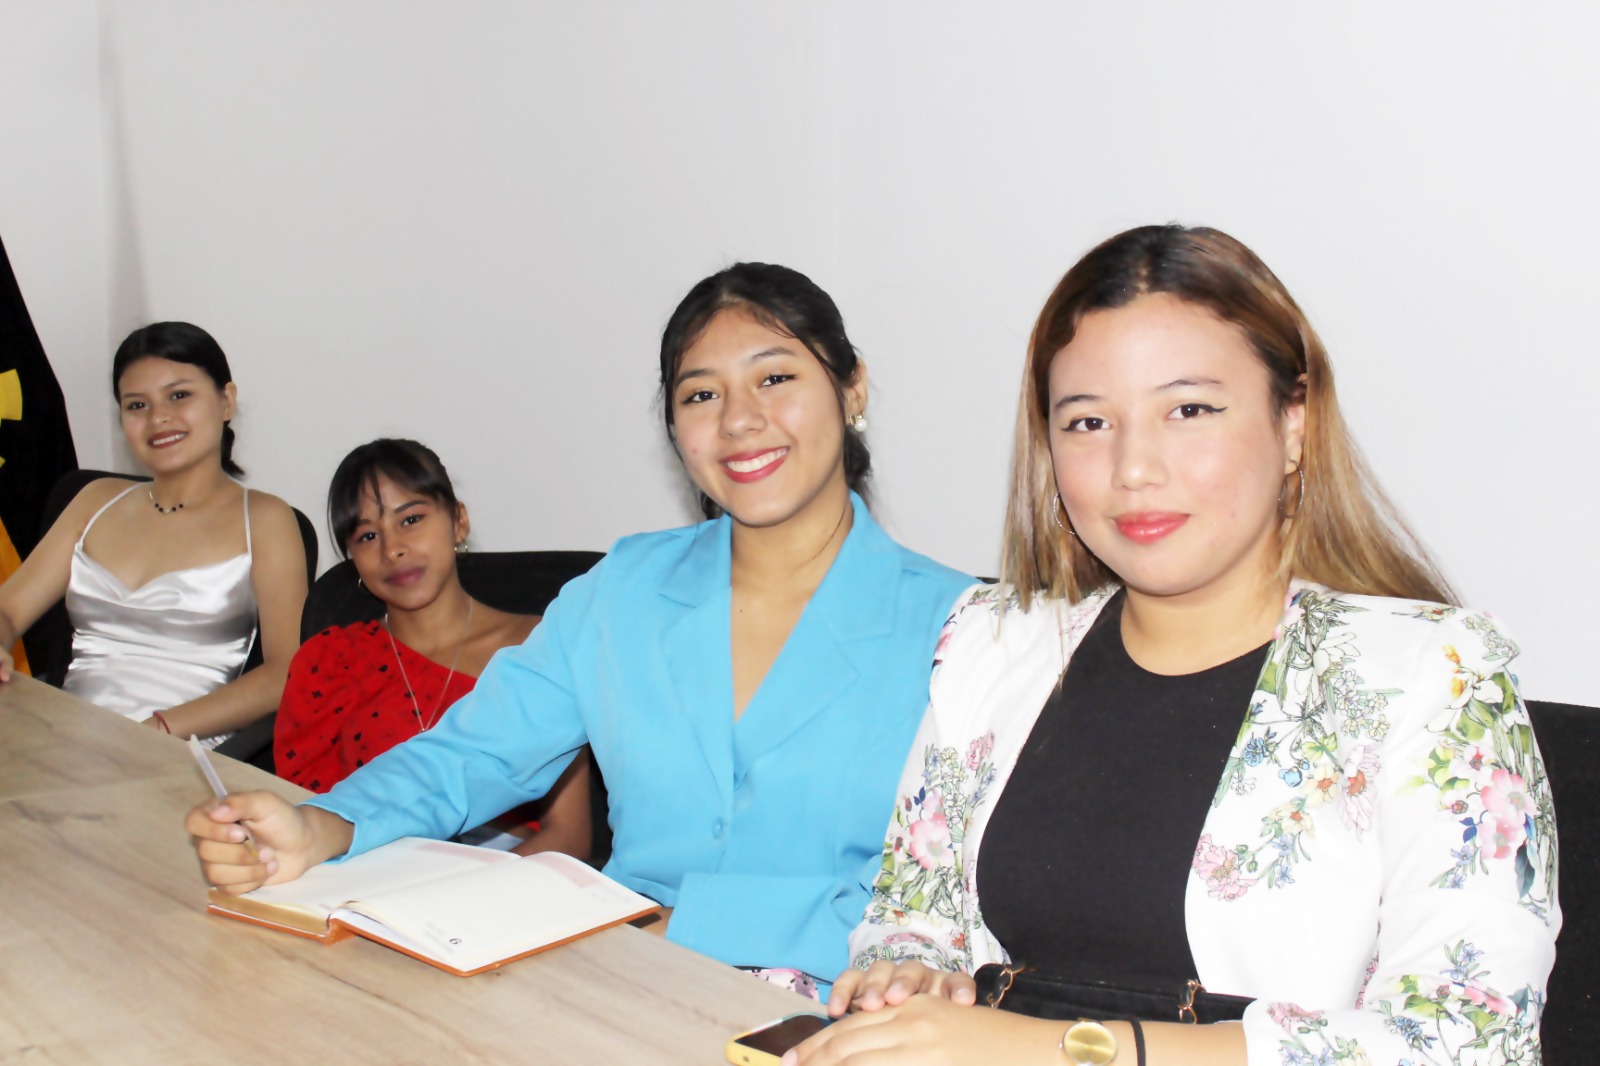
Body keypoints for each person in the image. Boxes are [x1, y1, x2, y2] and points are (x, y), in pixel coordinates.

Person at [798, 226, 1558, 1065]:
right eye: (1088, 422)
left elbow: (1470, 1039)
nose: (1133, 468)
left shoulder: (1430, 676)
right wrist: (908, 970)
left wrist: (1055, 1051)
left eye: (1188, 410)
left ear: (1294, 424)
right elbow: (912, 914)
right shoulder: (993, 639)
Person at [187, 263, 972, 994]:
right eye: (701, 395)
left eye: (775, 378)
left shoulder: (961, 629)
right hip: (619, 987)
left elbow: (956, 898)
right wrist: (320, 827)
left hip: (842, 1011)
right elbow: (474, 753)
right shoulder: (623, 591)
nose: (739, 420)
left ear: (851, 386)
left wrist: (675, 925)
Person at [272, 438, 592, 859]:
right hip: (360, 872)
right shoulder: (329, 660)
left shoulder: (536, 645)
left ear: (458, 521)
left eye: (411, 519)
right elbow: (300, 812)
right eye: (367, 535)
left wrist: (466, 893)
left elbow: (570, 837)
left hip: (510, 875)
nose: (392, 549)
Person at [0, 322, 307, 746]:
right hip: (65, 739)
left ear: (226, 400)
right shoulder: (94, 500)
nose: (158, 417)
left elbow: (284, 672)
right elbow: (8, 609)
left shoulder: (266, 519)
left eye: (179, 396)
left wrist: (154, 731)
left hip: (179, 752)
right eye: (137, 405)